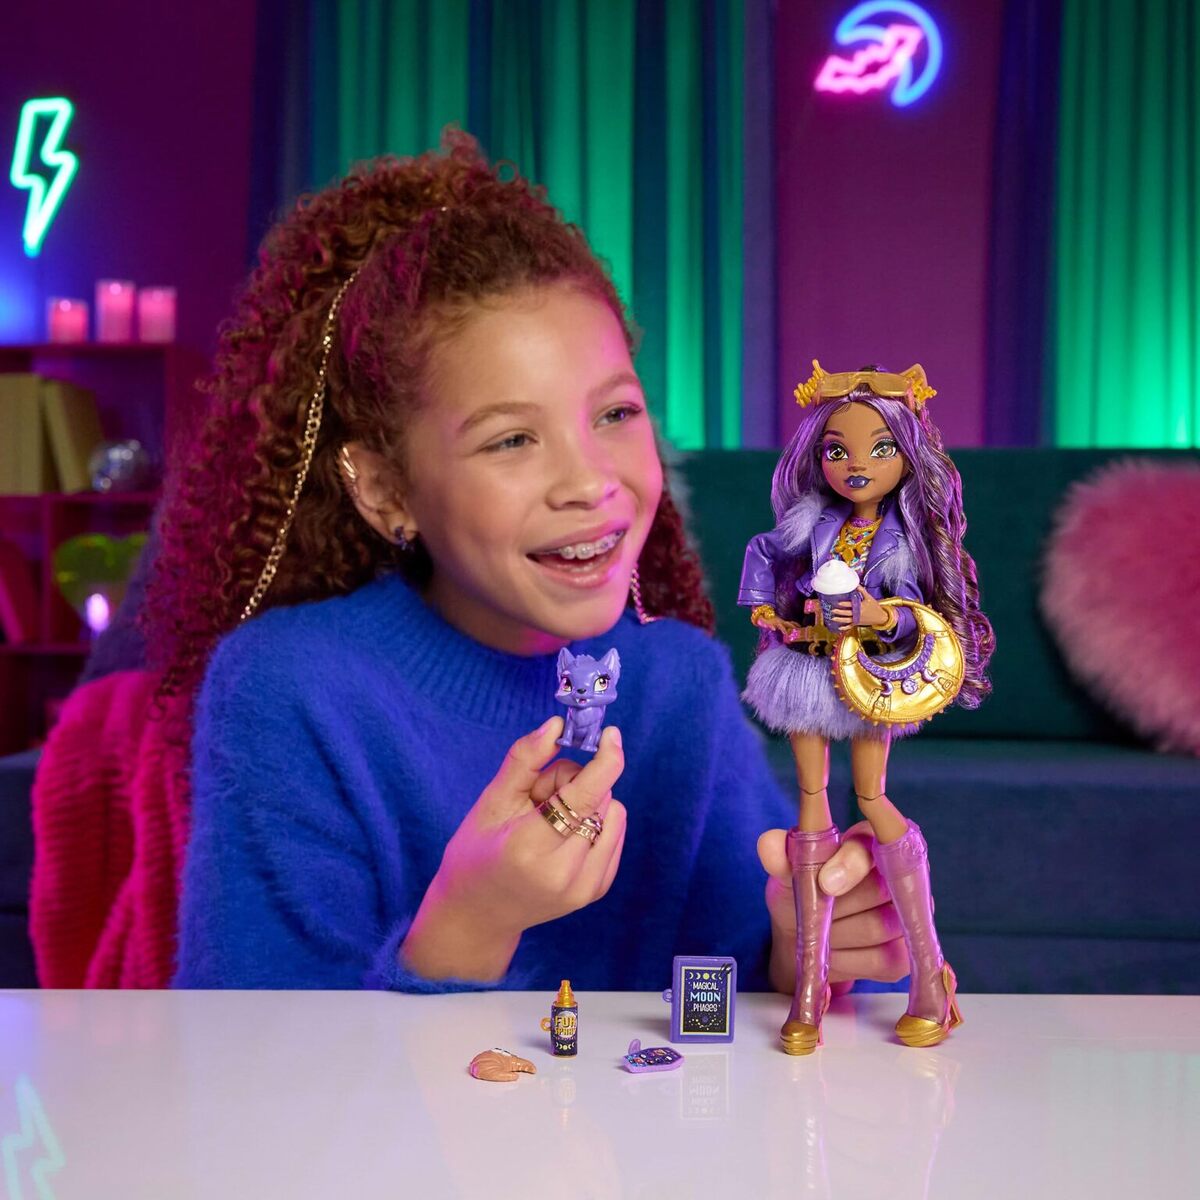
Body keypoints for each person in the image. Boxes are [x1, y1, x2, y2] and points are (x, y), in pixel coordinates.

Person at [147, 133, 905, 993]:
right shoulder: (290, 688)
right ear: (385, 489)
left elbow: (750, 980)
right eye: (511, 439)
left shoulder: (680, 681)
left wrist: (805, 952)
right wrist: (471, 923)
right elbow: (251, 1050)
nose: (589, 482)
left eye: (615, 415)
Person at [739, 362, 995, 1050]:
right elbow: (764, 552)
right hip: (807, 667)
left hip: (869, 673)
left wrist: (881, 615)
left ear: (906, 456)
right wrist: (768, 610)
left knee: (873, 798)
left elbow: (919, 609)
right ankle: (810, 983)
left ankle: (930, 976)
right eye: (838, 450)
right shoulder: (811, 522)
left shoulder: (904, 535)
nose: (856, 465)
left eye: (880, 449)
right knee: (810, 805)